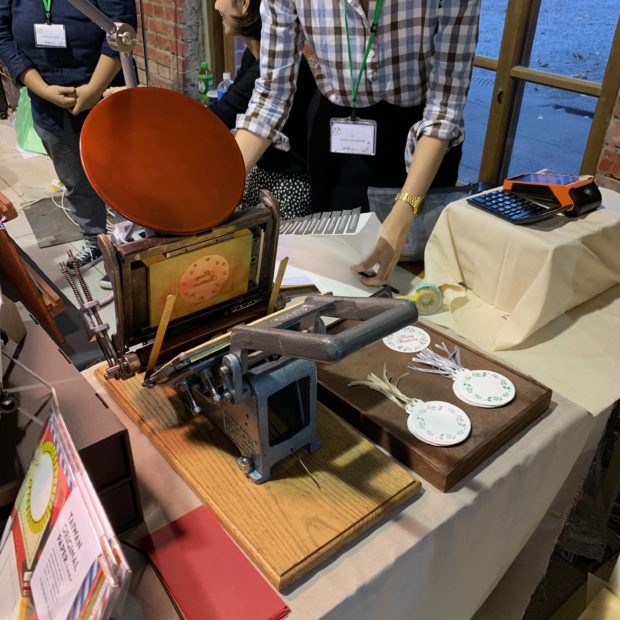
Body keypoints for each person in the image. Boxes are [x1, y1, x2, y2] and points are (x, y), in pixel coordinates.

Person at [235, 1, 480, 284]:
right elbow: (271, 97)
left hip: (423, 144)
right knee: (339, 275)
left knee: (416, 279)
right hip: (339, 141)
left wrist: (404, 212)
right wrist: (219, 190)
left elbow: (445, 106)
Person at [0, 0, 137, 276]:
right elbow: (3, 35)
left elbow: (121, 28)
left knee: (122, 176)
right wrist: (41, 88)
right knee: (74, 178)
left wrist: (94, 89)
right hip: (47, 99)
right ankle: (95, 240)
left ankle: (132, 246)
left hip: (105, 92)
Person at [211, 0, 317, 220]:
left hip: (289, 185)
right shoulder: (252, 57)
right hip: (266, 173)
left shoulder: (264, 71)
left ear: (245, 4)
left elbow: (219, 117)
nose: (216, 6)